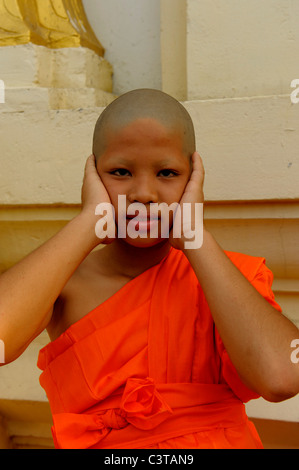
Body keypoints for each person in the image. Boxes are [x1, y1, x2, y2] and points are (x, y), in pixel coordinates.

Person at [0, 89, 298, 449]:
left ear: (193, 179)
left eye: (167, 173)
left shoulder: (227, 279)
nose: (144, 193)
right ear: (93, 175)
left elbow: (282, 377)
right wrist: (87, 223)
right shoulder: (65, 283)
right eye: (120, 172)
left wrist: (194, 237)